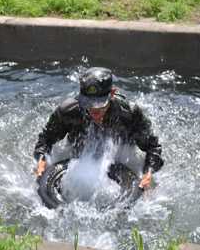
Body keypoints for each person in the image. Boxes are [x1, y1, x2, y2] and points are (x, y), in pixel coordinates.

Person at [34, 67, 163, 191]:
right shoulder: (68, 111)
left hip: (121, 161)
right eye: (88, 103)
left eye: (100, 104)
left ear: (112, 93)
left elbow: (153, 147)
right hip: (79, 157)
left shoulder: (128, 113)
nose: (94, 109)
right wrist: (41, 161)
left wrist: (148, 174)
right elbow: (45, 139)